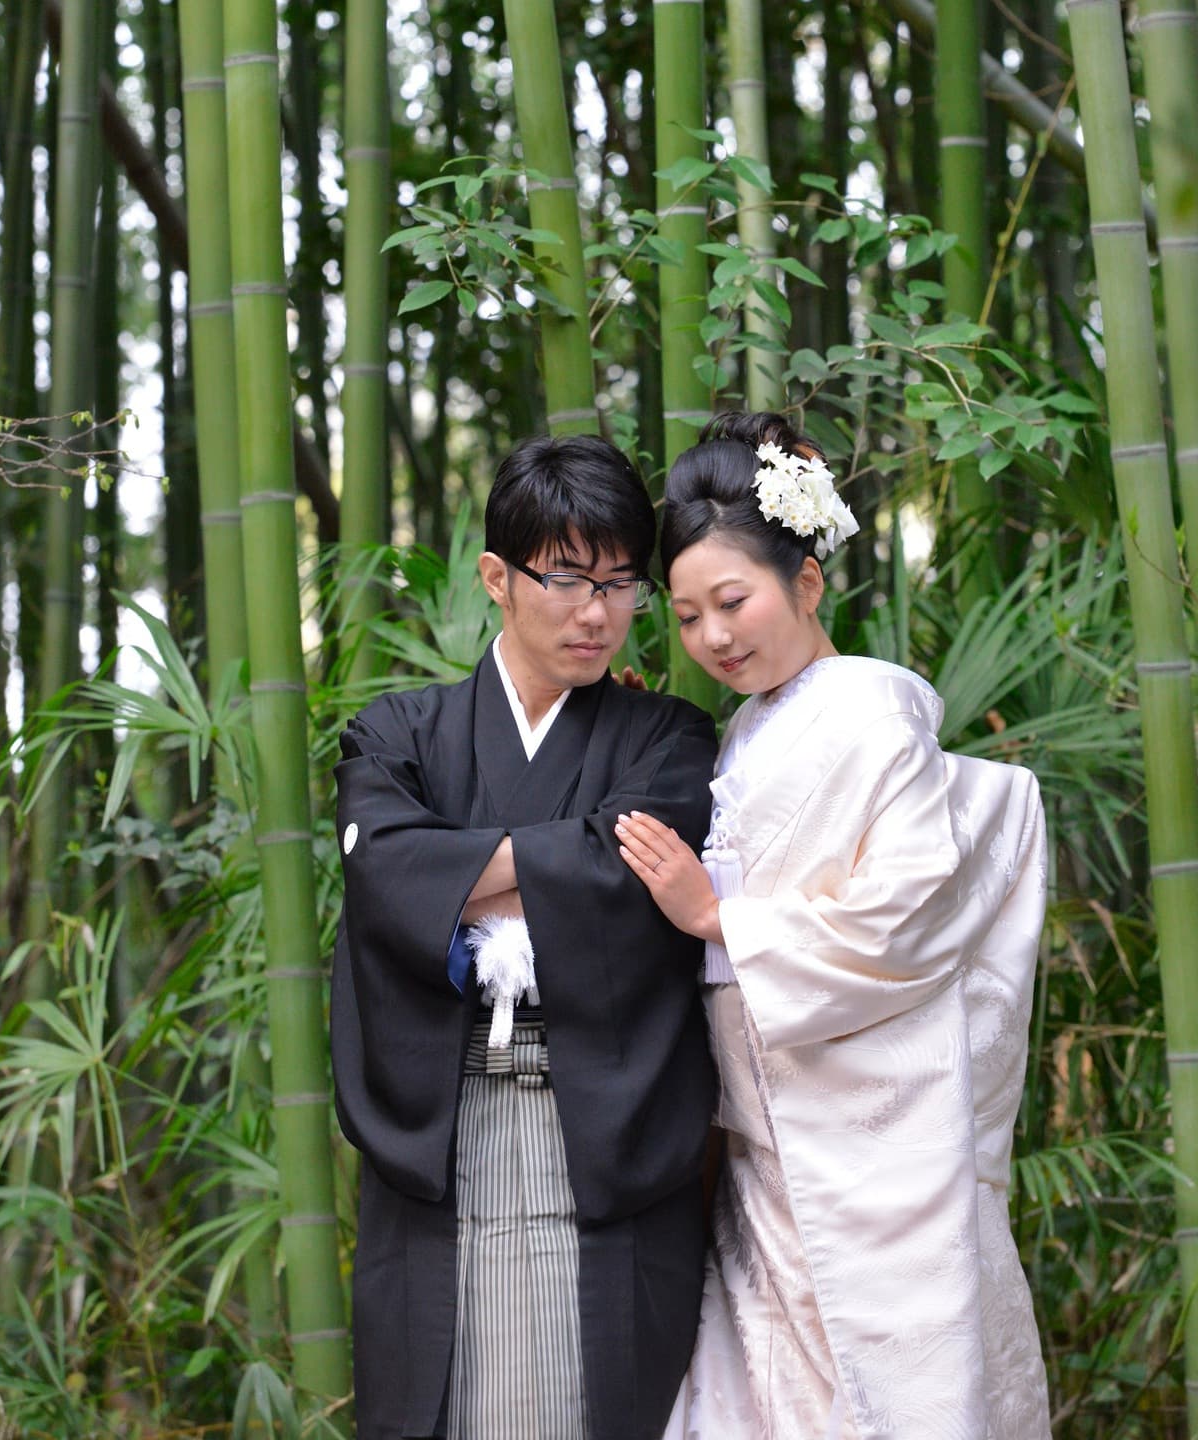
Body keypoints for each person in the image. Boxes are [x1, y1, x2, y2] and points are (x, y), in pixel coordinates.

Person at [617, 413, 1051, 1440]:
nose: (714, 637)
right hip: (767, 1146)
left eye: (733, 601)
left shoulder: (872, 706)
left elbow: (902, 912)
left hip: (869, 1140)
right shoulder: (745, 730)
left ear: (807, 583)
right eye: (686, 617)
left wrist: (719, 916)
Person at [331, 434, 718, 1440]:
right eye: (568, 579)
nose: (599, 614)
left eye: (623, 583)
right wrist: (570, 854)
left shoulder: (669, 739)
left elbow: (638, 874)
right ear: (496, 577)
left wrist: (455, 867)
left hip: (600, 1136)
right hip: (442, 1131)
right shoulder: (395, 733)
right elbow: (382, 871)